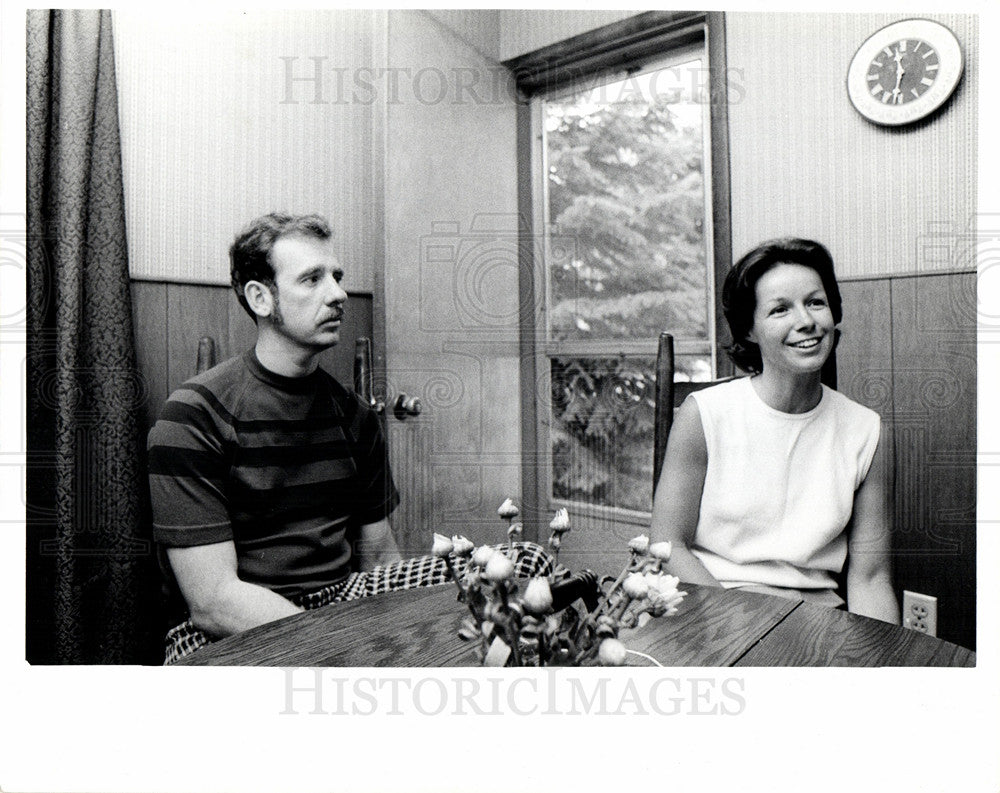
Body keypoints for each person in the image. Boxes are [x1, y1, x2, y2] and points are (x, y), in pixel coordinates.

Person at [148, 212, 552, 663]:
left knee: (525, 563)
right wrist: (345, 650)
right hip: (231, 623)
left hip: (345, 597)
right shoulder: (192, 416)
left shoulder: (355, 416)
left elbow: (379, 555)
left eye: (337, 276)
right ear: (261, 298)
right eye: (312, 279)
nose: (338, 293)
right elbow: (213, 599)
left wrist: (407, 639)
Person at [650, 237, 899, 623]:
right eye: (780, 309)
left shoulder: (867, 431)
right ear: (749, 330)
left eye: (815, 302)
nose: (806, 321)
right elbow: (668, 547)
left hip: (817, 619)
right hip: (710, 607)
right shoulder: (704, 415)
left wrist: (885, 667)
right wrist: (737, 630)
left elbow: (871, 577)